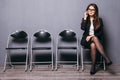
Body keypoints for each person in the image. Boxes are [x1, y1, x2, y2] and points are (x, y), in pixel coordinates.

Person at [80, 3, 112, 75]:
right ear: (87, 11)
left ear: (96, 11)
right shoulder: (85, 19)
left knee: (93, 45)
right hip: (86, 40)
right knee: (93, 41)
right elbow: (83, 28)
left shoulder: (99, 20)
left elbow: (100, 33)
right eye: (89, 9)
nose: (91, 11)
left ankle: (93, 66)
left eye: (93, 10)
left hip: (96, 41)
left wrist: (91, 36)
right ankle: (106, 58)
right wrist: (85, 18)